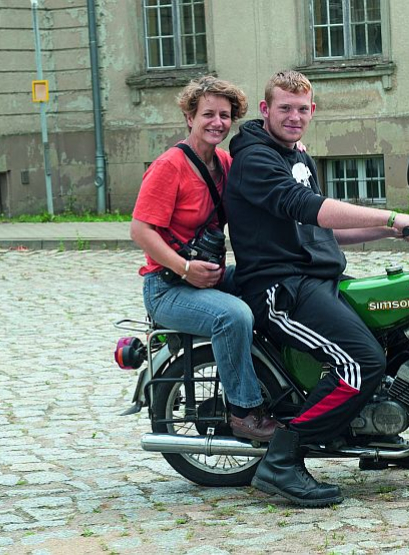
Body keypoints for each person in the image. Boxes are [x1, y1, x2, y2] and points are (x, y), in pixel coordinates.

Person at [224, 70, 409, 507]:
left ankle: (382, 437)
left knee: (388, 332)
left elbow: (326, 230)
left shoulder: (296, 156)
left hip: (316, 279)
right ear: (266, 110)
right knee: (362, 362)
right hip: (280, 288)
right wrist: (389, 217)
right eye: (284, 108)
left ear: (313, 111)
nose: (294, 116)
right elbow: (307, 207)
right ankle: (282, 462)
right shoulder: (256, 159)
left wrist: (391, 233)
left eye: (302, 109)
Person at [130, 76, 279, 443]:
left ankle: (278, 382)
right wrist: (185, 268)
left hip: (205, 275)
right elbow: (140, 231)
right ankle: (244, 412)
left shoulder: (225, 163)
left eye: (225, 116)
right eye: (208, 114)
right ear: (189, 116)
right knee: (233, 314)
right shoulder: (170, 166)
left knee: (271, 282)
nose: (217, 122)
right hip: (168, 286)